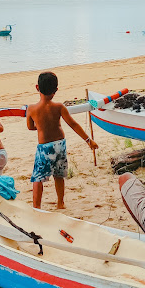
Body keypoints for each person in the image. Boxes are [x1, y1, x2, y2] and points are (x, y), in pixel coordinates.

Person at [27, 71, 98, 209]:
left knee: (38, 178)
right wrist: (89, 140)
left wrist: (41, 126)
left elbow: (30, 127)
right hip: (59, 145)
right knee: (58, 175)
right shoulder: (59, 107)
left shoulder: (32, 109)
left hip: (44, 148)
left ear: (37, 88)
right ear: (56, 90)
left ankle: (36, 207)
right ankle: (60, 203)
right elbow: (73, 124)